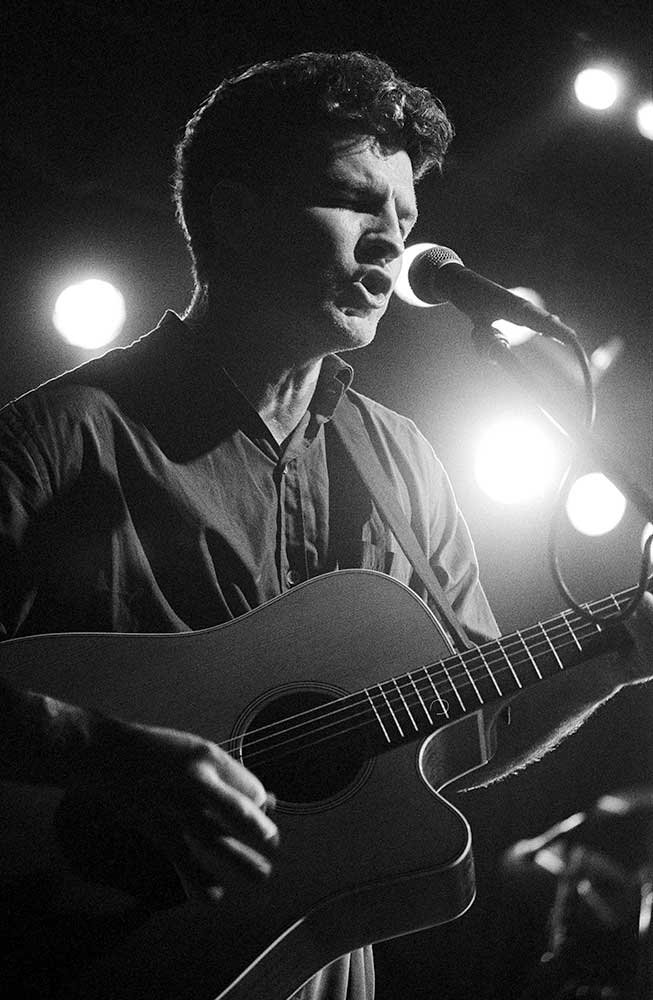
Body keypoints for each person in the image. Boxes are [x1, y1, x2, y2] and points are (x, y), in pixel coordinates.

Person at [0, 51, 651, 1000]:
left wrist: (619, 654)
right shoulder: (66, 435)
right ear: (233, 214)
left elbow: (472, 726)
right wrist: (105, 755)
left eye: (406, 220)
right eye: (354, 202)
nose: (392, 245)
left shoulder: (403, 462)